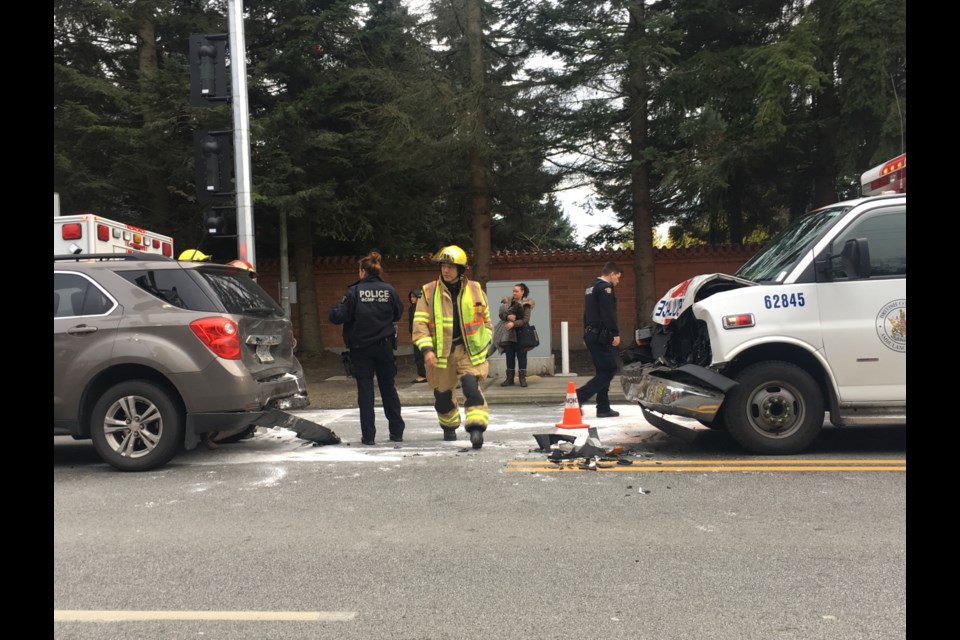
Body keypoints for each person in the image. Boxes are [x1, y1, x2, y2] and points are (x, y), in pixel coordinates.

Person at [411, 245, 493, 449]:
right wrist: (427, 350)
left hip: (469, 352)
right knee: (443, 397)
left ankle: (476, 429)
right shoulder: (428, 292)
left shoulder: (476, 289)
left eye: (450, 266)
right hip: (441, 354)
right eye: (443, 266)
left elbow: (486, 321)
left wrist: (486, 341)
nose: (445, 270)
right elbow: (419, 324)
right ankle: (449, 425)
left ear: (461, 269)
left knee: (471, 387)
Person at [329, 251, 406, 445]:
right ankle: (396, 432)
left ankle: (368, 436)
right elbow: (398, 313)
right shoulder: (389, 290)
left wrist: (334, 310)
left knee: (365, 391)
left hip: (361, 348)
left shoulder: (354, 291)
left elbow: (341, 316)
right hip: (385, 347)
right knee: (388, 388)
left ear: (363, 271)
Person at [576, 261, 623, 418]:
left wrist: (585, 332)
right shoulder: (605, 288)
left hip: (592, 334)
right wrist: (615, 333)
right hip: (602, 336)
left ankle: (603, 407)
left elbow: (586, 313)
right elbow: (608, 313)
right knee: (609, 369)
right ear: (612, 274)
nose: (618, 281)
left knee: (603, 370)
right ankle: (579, 396)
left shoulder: (590, 287)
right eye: (618, 277)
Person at [498, 283, 536, 388]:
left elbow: (525, 320)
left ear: (522, 292)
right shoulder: (508, 302)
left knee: (522, 356)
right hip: (508, 334)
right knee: (509, 356)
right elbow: (501, 314)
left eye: (517, 291)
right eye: (513, 291)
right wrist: (507, 317)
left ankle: (522, 379)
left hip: (521, 334)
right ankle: (509, 379)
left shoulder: (526, 304)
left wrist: (513, 324)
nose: (514, 293)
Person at [407, 289, 428, 383]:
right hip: (415, 334)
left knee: (421, 355)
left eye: (414, 297)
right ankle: (423, 374)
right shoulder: (411, 308)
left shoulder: (421, 308)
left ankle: (423, 375)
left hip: (422, 335)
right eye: (411, 297)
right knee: (418, 355)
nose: (412, 299)